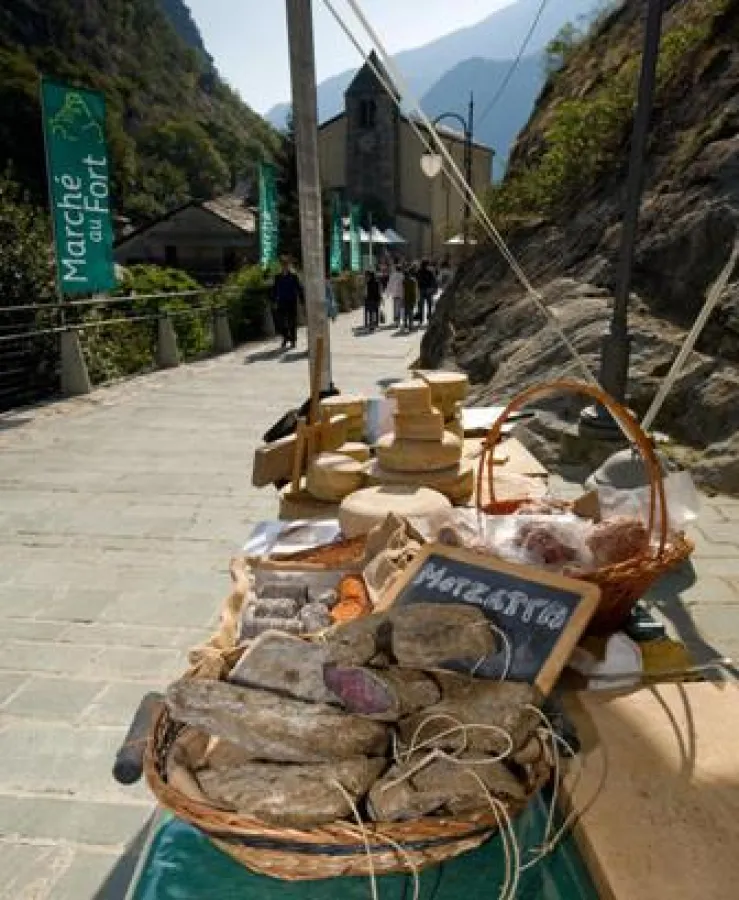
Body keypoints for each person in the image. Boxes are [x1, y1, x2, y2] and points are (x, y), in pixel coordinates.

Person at [272, 257, 304, 349]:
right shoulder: (277, 277)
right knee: (281, 322)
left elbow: (299, 288)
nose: (284, 267)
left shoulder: (293, 276)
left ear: (289, 266)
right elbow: (274, 290)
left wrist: (302, 301)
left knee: (292, 321)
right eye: (283, 265)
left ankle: (293, 340)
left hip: (291, 301)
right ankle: (286, 337)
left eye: (286, 265)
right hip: (281, 301)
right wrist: (274, 300)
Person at [417, 259, 438, 325]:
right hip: (428, 289)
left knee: (421, 305)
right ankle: (429, 319)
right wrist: (434, 289)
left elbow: (417, 280)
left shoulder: (419, 271)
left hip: (421, 289)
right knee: (429, 305)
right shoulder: (430, 272)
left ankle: (421, 320)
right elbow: (433, 281)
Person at [387, 263, 404, 327]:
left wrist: (388, 293)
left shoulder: (393, 275)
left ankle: (396, 321)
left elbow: (389, 284)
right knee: (400, 307)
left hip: (395, 294)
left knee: (395, 307)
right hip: (401, 294)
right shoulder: (403, 276)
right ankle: (399, 320)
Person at [402, 266, 417, 332]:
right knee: (411, 312)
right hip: (411, 298)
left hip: (405, 298)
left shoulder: (404, 282)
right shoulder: (413, 281)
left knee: (405, 312)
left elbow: (402, 291)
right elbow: (414, 291)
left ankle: (405, 324)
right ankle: (411, 325)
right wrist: (415, 299)